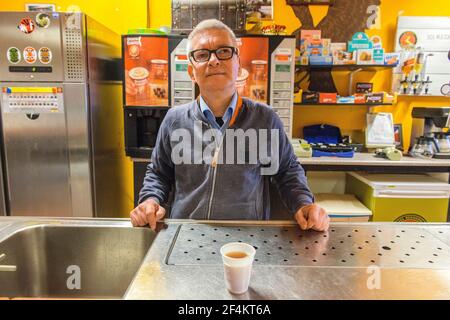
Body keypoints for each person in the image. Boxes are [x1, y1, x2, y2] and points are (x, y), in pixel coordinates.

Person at [130, 19, 329, 232]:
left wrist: (304, 203)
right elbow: (159, 173)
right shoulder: (174, 120)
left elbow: (288, 171)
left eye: (223, 51)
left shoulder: (265, 119)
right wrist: (150, 200)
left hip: (247, 238)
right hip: (185, 234)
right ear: (191, 72)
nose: (214, 60)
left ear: (238, 63)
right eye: (202, 54)